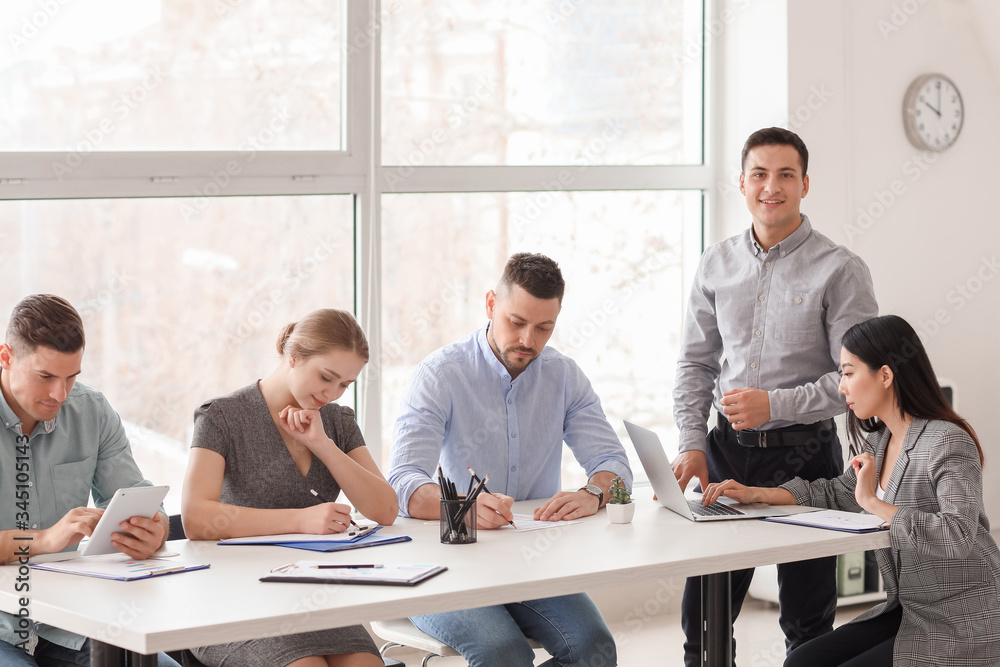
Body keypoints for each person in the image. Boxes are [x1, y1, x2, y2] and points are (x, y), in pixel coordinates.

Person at [671, 127, 880, 665]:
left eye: (786, 174)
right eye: (759, 174)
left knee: (808, 623)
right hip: (725, 454)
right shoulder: (715, 263)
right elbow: (695, 363)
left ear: (805, 183)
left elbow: (855, 383)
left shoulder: (841, 269)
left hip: (807, 458)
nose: (772, 186)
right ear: (742, 184)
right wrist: (693, 442)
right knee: (704, 616)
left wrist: (775, 406)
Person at [702, 314, 1000, 667]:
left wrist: (873, 503)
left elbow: (957, 534)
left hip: (963, 617)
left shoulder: (947, 441)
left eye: (847, 372)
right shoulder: (881, 437)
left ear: (885, 375)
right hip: (910, 607)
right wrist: (758, 494)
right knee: (802, 661)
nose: (841, 387)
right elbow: (839, 492)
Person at [388, 252, 630, 667]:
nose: (528, 341)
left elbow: (614, 463)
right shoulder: (441, 374)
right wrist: (460, 507)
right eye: (516, 322)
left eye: (543, 328)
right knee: (505, 654)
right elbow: (402, 482)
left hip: (529, 563)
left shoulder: (564, 376)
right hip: (444, 564)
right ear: (490, 305)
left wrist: (594, 492)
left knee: (594, 647)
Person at [181, 308, 396, 667]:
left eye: (345, 384)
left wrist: (323, 445)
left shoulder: (336, 421)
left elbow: (385, 510)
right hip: (235, 600)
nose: (333, 393)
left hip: (316, 599)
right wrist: (300, 520)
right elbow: (196, 518)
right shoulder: (221, 417)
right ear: (293, 357)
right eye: (326, 377)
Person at [0, 294, 179, 667]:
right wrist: (45, 540)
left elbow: (138, 496)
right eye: (45, 376)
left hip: (70, 620)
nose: (59, 395)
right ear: (6, 357)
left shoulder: (91, 411)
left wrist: (154, 530)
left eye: (71, 377)